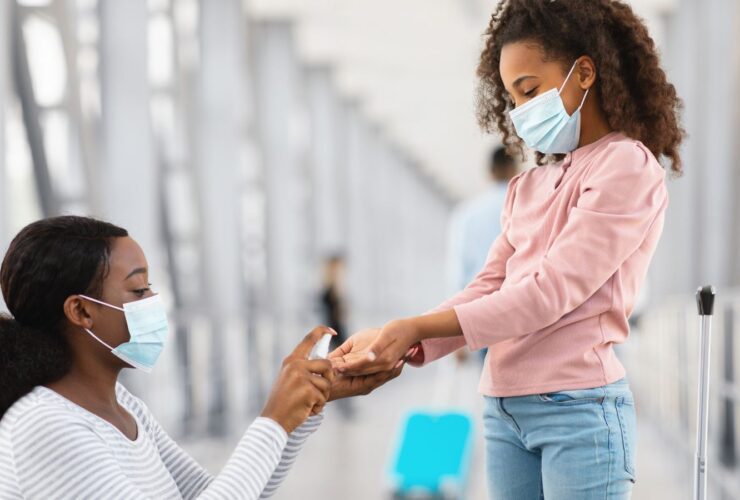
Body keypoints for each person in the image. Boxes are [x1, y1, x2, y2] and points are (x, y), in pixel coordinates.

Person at [331, 0, 684, 498]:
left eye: (530, 90)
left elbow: (549, 293)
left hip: (578, 411)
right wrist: (399, 341)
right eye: (513, 99)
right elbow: (488, 285)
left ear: (584, 72)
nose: (520, 113)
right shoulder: (531, 186)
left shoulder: (625, 167)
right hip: (503, 407)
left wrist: (413, 327)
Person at [0, 216, 401, 499]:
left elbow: (225, 493)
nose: (154, 303)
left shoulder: (125, 409)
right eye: (139, 291)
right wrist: (273, 419)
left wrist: (301, 408)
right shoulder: (44, 426)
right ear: (82, 312)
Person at [447, 146, 519, 364]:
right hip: (520, 310)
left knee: (490, 384)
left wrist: (453, 337)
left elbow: (458, 271)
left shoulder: (467, 214)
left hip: (480, 312)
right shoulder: (526, 205)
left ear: (489, 172)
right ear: (516, 169)